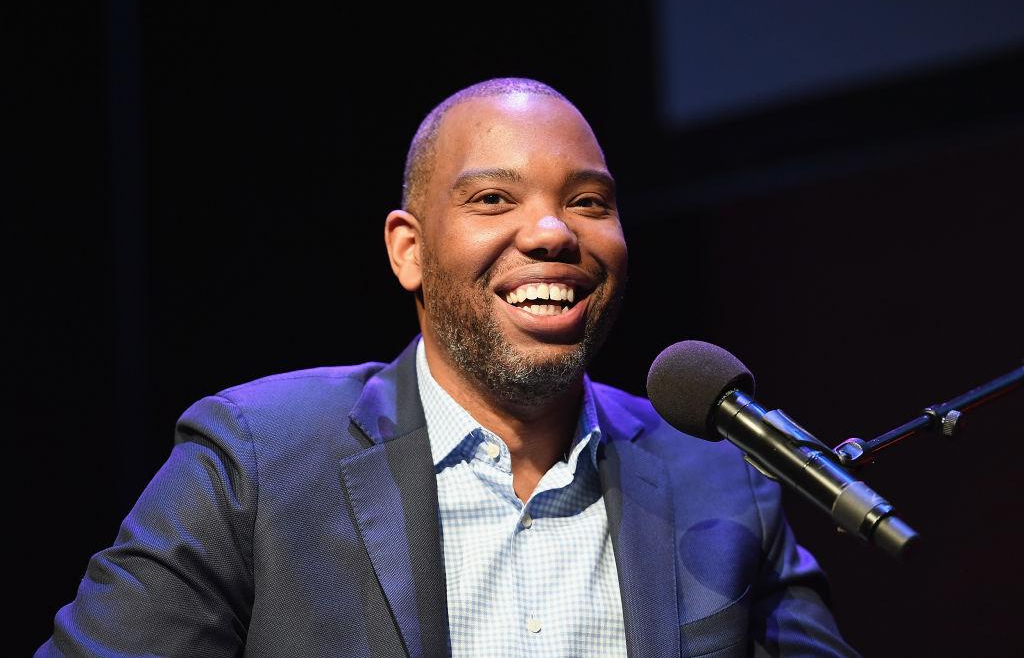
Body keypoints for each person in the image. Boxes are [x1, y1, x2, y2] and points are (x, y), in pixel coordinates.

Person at [38, 78, 858, 657]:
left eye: (589, 202)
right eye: (494, 200)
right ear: (410, 250)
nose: (551, 233)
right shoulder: (258, 458)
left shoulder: (721, 481)